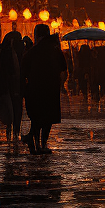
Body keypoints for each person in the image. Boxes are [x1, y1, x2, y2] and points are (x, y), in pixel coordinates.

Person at [22, 24, 66, 153]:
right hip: (51, 89)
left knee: (37, 118)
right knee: (48, 119)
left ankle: (36, 143)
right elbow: (63, 67)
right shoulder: (55, 49)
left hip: (35, 89)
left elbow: (24, 69)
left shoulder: (33, 51)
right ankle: (43, 144)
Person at [0, 30, 23, 143]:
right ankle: (13, 128)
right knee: (14, 107)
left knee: (15, 107)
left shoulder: (15, 51)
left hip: (13, 83)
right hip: (11, 83)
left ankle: (14, 129)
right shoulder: (6, 52)